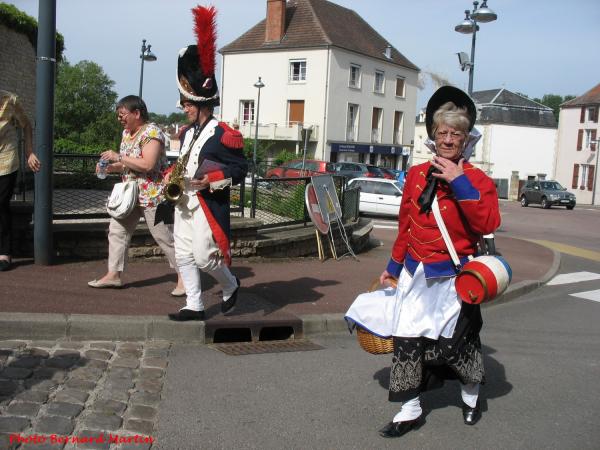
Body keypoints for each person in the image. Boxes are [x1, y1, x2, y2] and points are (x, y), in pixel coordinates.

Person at [345, 86, 501, 438]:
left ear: (466, 139)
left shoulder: (477, 180)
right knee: (408, 339)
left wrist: (458, 182)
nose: (447, 139)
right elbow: (407, 226)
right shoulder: (416, 175)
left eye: (455, 134)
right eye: (442, 133)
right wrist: (394, 267)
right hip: (416, 273)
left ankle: (471, 394)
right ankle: (409, 409)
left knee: (455, 343)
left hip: (454, 278)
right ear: (434, 135)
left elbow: (487, 223)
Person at [167, 5, 248, 321]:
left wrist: (211, 180)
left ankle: (231, 284)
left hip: (206, 202)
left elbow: (240, 170)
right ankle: (194, 304)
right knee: (184, 255)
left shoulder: (224, 134)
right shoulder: (187, 132)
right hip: (183, 200)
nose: (183, 108)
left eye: (186, 103)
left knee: (204, 258)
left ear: (199, 102)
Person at [88, 95, 185, 296]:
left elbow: (148, 164)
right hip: (130, 195)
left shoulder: (152, 132)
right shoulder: (127, 133)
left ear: (137, 113)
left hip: (153, 195)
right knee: (117, 231)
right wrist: (110, 167)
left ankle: (185, 278)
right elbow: (129, 164)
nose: (119, 119)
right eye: (118, 115)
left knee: (164, 236)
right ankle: (113, 275)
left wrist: (119, 156)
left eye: (122, 114)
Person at [0, 90, 41, 272]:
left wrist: (29, 152)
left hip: (5, 159)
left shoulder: (10, 100)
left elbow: (26, 125)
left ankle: (4, 252)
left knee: (0, 203)